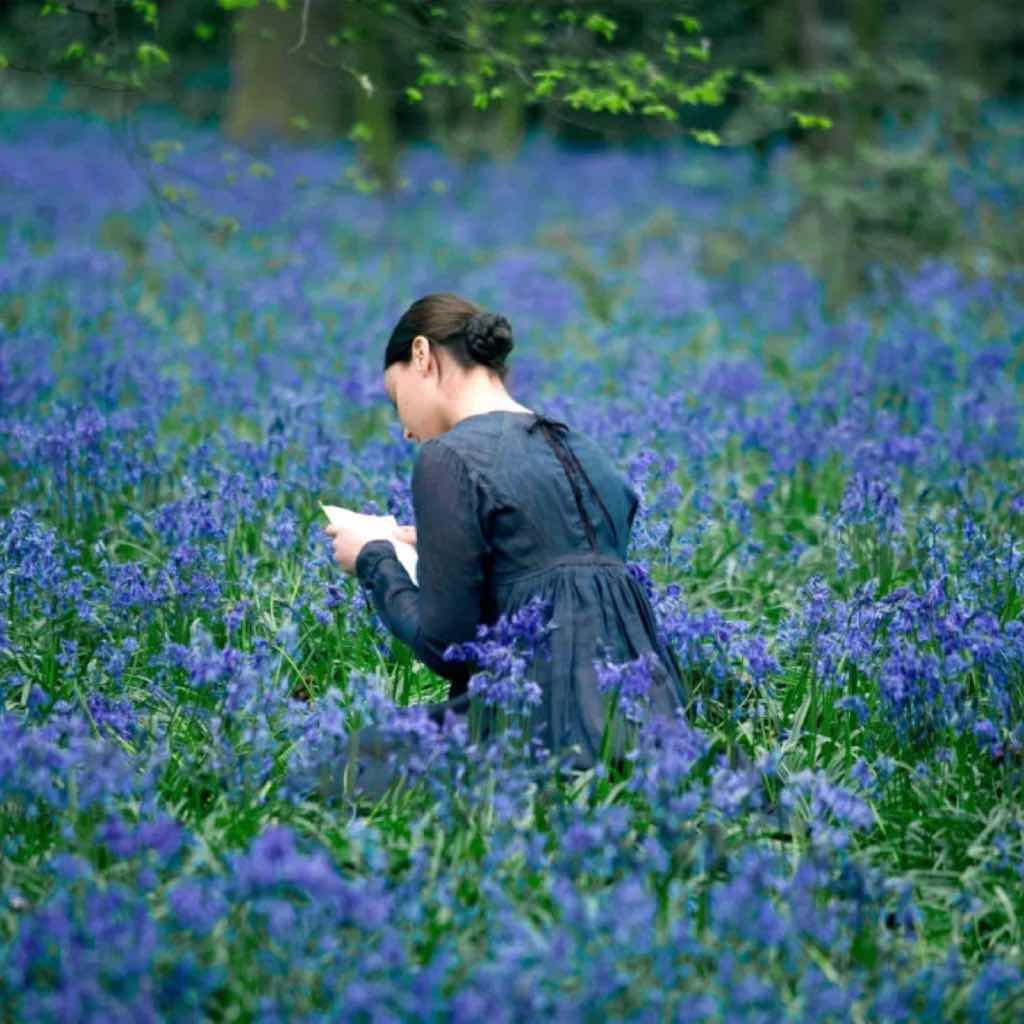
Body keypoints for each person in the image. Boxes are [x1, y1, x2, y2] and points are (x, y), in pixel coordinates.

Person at [326, 292, 689, 797]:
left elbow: (449, 649)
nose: (405, 428)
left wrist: (373, 558)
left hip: (537, 725)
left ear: (423, 356)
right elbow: (550, 571)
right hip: (648, 727)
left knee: (335, 766)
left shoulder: (450, 457)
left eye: (396, 399)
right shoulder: (586, 451)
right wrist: (431, 544)